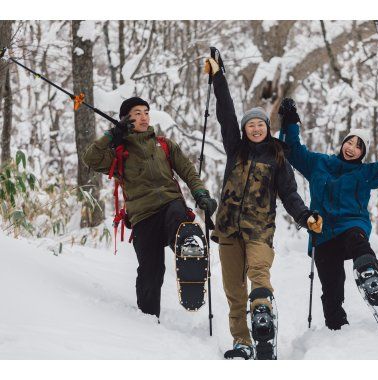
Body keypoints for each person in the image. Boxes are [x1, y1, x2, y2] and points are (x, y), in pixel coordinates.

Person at [204, 58, 323, 359]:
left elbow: (290, 194)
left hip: (259, 231)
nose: (256, 128)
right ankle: (242, 342)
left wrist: (305, 216)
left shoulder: (277, 156)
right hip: (228, 230)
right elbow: (226, 114)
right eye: (251, 125)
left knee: (259, 274)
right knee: (233, 291)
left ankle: (263, 320)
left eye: (260, 124)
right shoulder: (235, 149)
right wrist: (219, 77)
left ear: (267, 128)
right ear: (245, 130)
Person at [278, 98, 378, 330]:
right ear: (343, 143)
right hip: (323, 232)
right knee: (332, 288)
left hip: (351, 226)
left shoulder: (366, 172)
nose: (352, 148)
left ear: (362, 152)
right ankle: (336, 328)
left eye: (359, 146)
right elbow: (293, 151)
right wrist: (289, 121)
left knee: (358, 242)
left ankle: (373, 281)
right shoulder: (319, 164)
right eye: (350, 142)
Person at [83, 97, 217, 320]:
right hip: (143, 217)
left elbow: (188, 171)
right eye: (137, 113)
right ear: (126, 118)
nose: (144, 117)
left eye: (146, 112)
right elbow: (90, 158)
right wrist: (111, 136)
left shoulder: (164, 145)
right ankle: (147, 320)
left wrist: (201, 193)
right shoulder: (118, 152)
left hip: (170, 205)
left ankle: (188, 250)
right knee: (151, 273)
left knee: (178, 216)